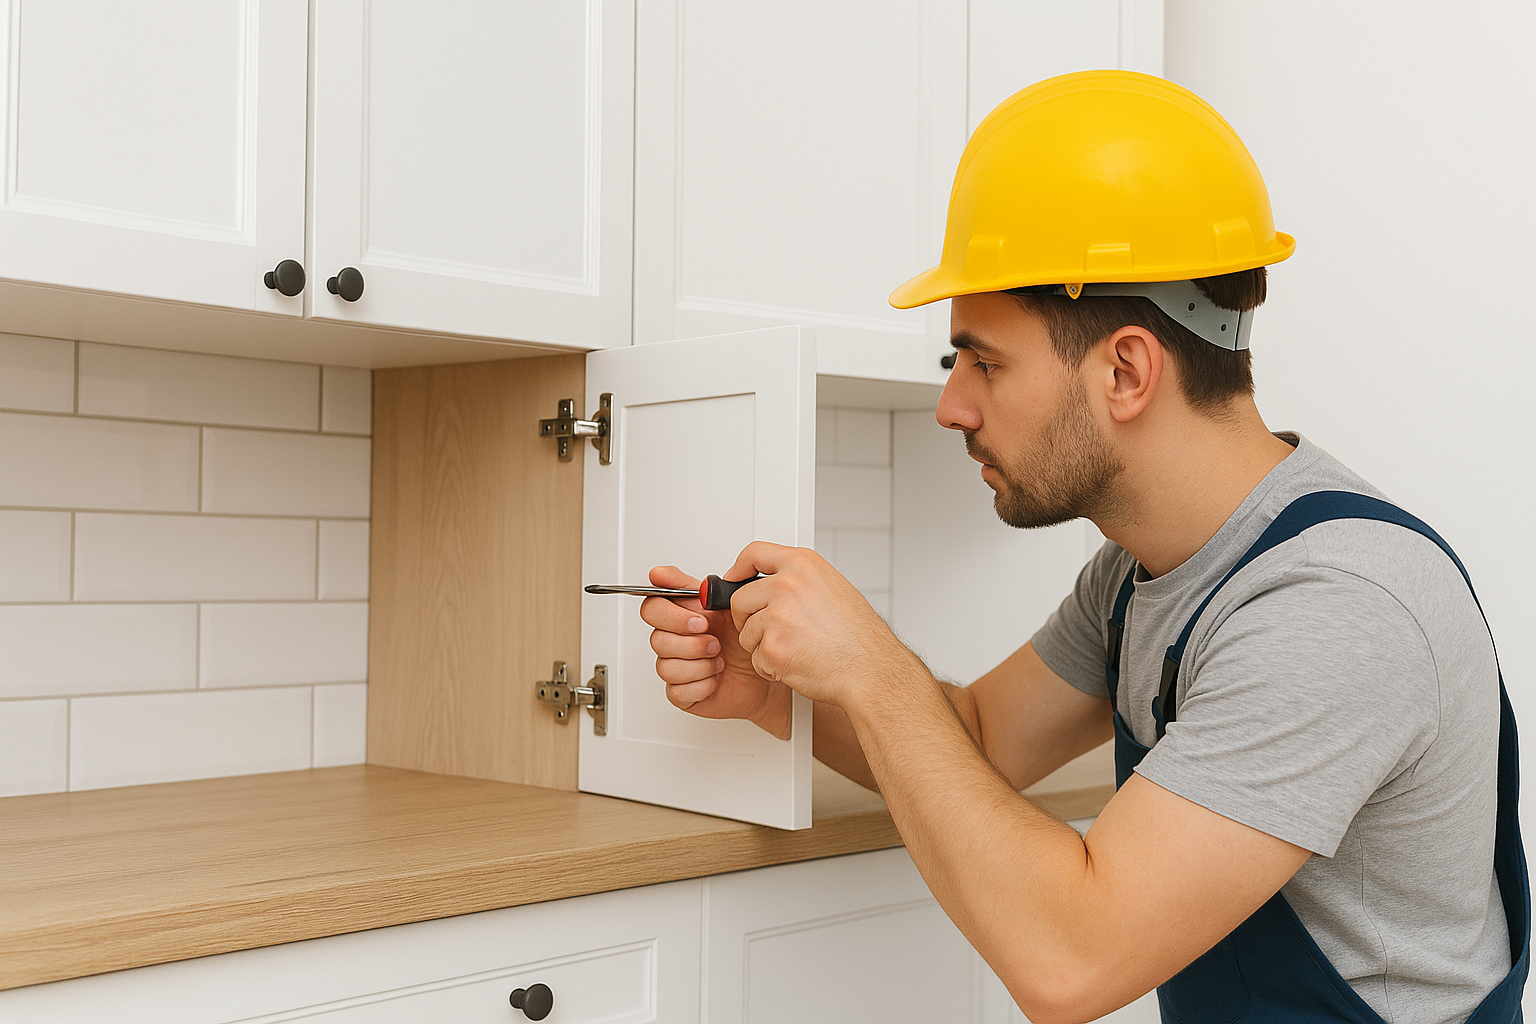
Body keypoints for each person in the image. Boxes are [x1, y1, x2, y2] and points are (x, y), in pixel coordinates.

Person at [640, 71, 1528, 1024]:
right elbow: (976, 741)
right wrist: (783, 694)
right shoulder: (1141, 575)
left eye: (983, 360)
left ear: (1126, 370)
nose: (953, 406)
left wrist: (874, 671)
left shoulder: (1335, 605)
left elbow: (1070, 962)